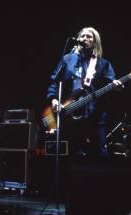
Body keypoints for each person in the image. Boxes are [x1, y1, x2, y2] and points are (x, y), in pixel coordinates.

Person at [47, 27, 122, 157]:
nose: (85, 39)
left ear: (95, 41)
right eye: (82, 36)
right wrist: (54, 99)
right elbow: (55, 81)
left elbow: (112, 83)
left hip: (96, 117)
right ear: (78, 39)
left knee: (99, 155)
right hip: (72, 118)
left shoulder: (103, 64)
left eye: (89, 37)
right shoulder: (67, 59)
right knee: (74, 156)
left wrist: (116, 86)